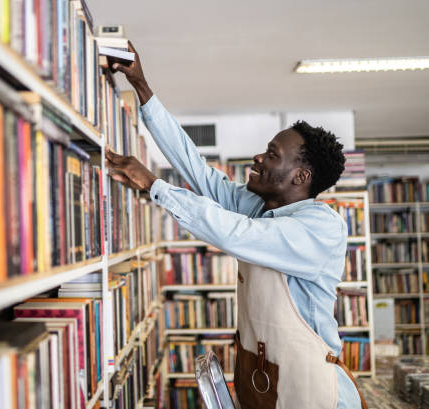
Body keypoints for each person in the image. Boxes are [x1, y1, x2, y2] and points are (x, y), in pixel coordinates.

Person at [105, 43, 367, 409]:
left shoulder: (321, 228)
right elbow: (197, 169)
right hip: (264, 379)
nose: (258, 156)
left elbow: (237, 235)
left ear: (301, 176)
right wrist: (143, 89)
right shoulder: (257, 204)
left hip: (315, 393)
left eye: (272, 154)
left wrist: (154, 186)